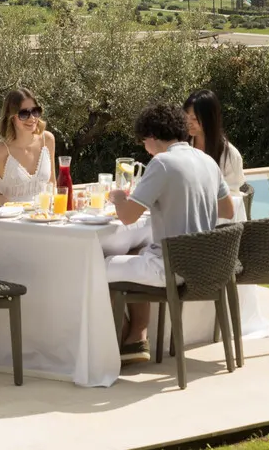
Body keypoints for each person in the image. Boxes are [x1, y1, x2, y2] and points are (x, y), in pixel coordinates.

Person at [106, 102, 235, 364]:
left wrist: (119, 197)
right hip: (206, 266)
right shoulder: (207, 160)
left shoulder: (162, 164)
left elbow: (128, 216)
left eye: (144, 141)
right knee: (133, 251)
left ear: (152, 137)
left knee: (98, 266)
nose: (145, 148)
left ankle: (115, 342)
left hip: (172, 267)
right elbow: (228, 210)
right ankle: (135, 340)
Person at [183, 88, 247, 192]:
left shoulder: (230, 155)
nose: (188, 123)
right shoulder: (182, 146)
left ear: (209, 118)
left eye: (194, 118)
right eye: (186, 117)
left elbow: (233, 195)